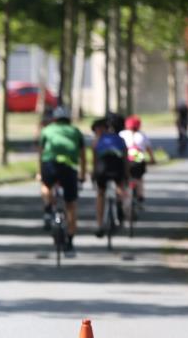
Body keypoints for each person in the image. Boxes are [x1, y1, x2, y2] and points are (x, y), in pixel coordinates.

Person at [38, 105, 86, 253]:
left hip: (50, 164)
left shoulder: (46, 130)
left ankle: (47, 208)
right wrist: (83, 175)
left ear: (54, 119)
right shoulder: (76, 131)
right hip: (69, 167)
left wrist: (40, 171)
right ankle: (70, 241)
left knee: (46, 184)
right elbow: (82, 156)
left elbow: (40, 153)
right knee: (71, 205)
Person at [93, 113, 131, 238]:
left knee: (100, 193)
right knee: (120, 186)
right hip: (117, 166)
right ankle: (120, 205)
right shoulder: (121, 140)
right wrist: (126, 175)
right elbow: (125, 160)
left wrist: (93, 173)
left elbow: (95, 157)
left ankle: (99, 225)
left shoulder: (99, 139)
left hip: (102, 167)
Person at [119, 115, 155, 206]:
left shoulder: (122, 134)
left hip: (125, 160)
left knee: (124, 178)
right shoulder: (142, 135)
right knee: (139, 178)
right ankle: (140, 195)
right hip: (138, 161)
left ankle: (122, 196)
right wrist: (152, 159)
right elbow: (149, 149)